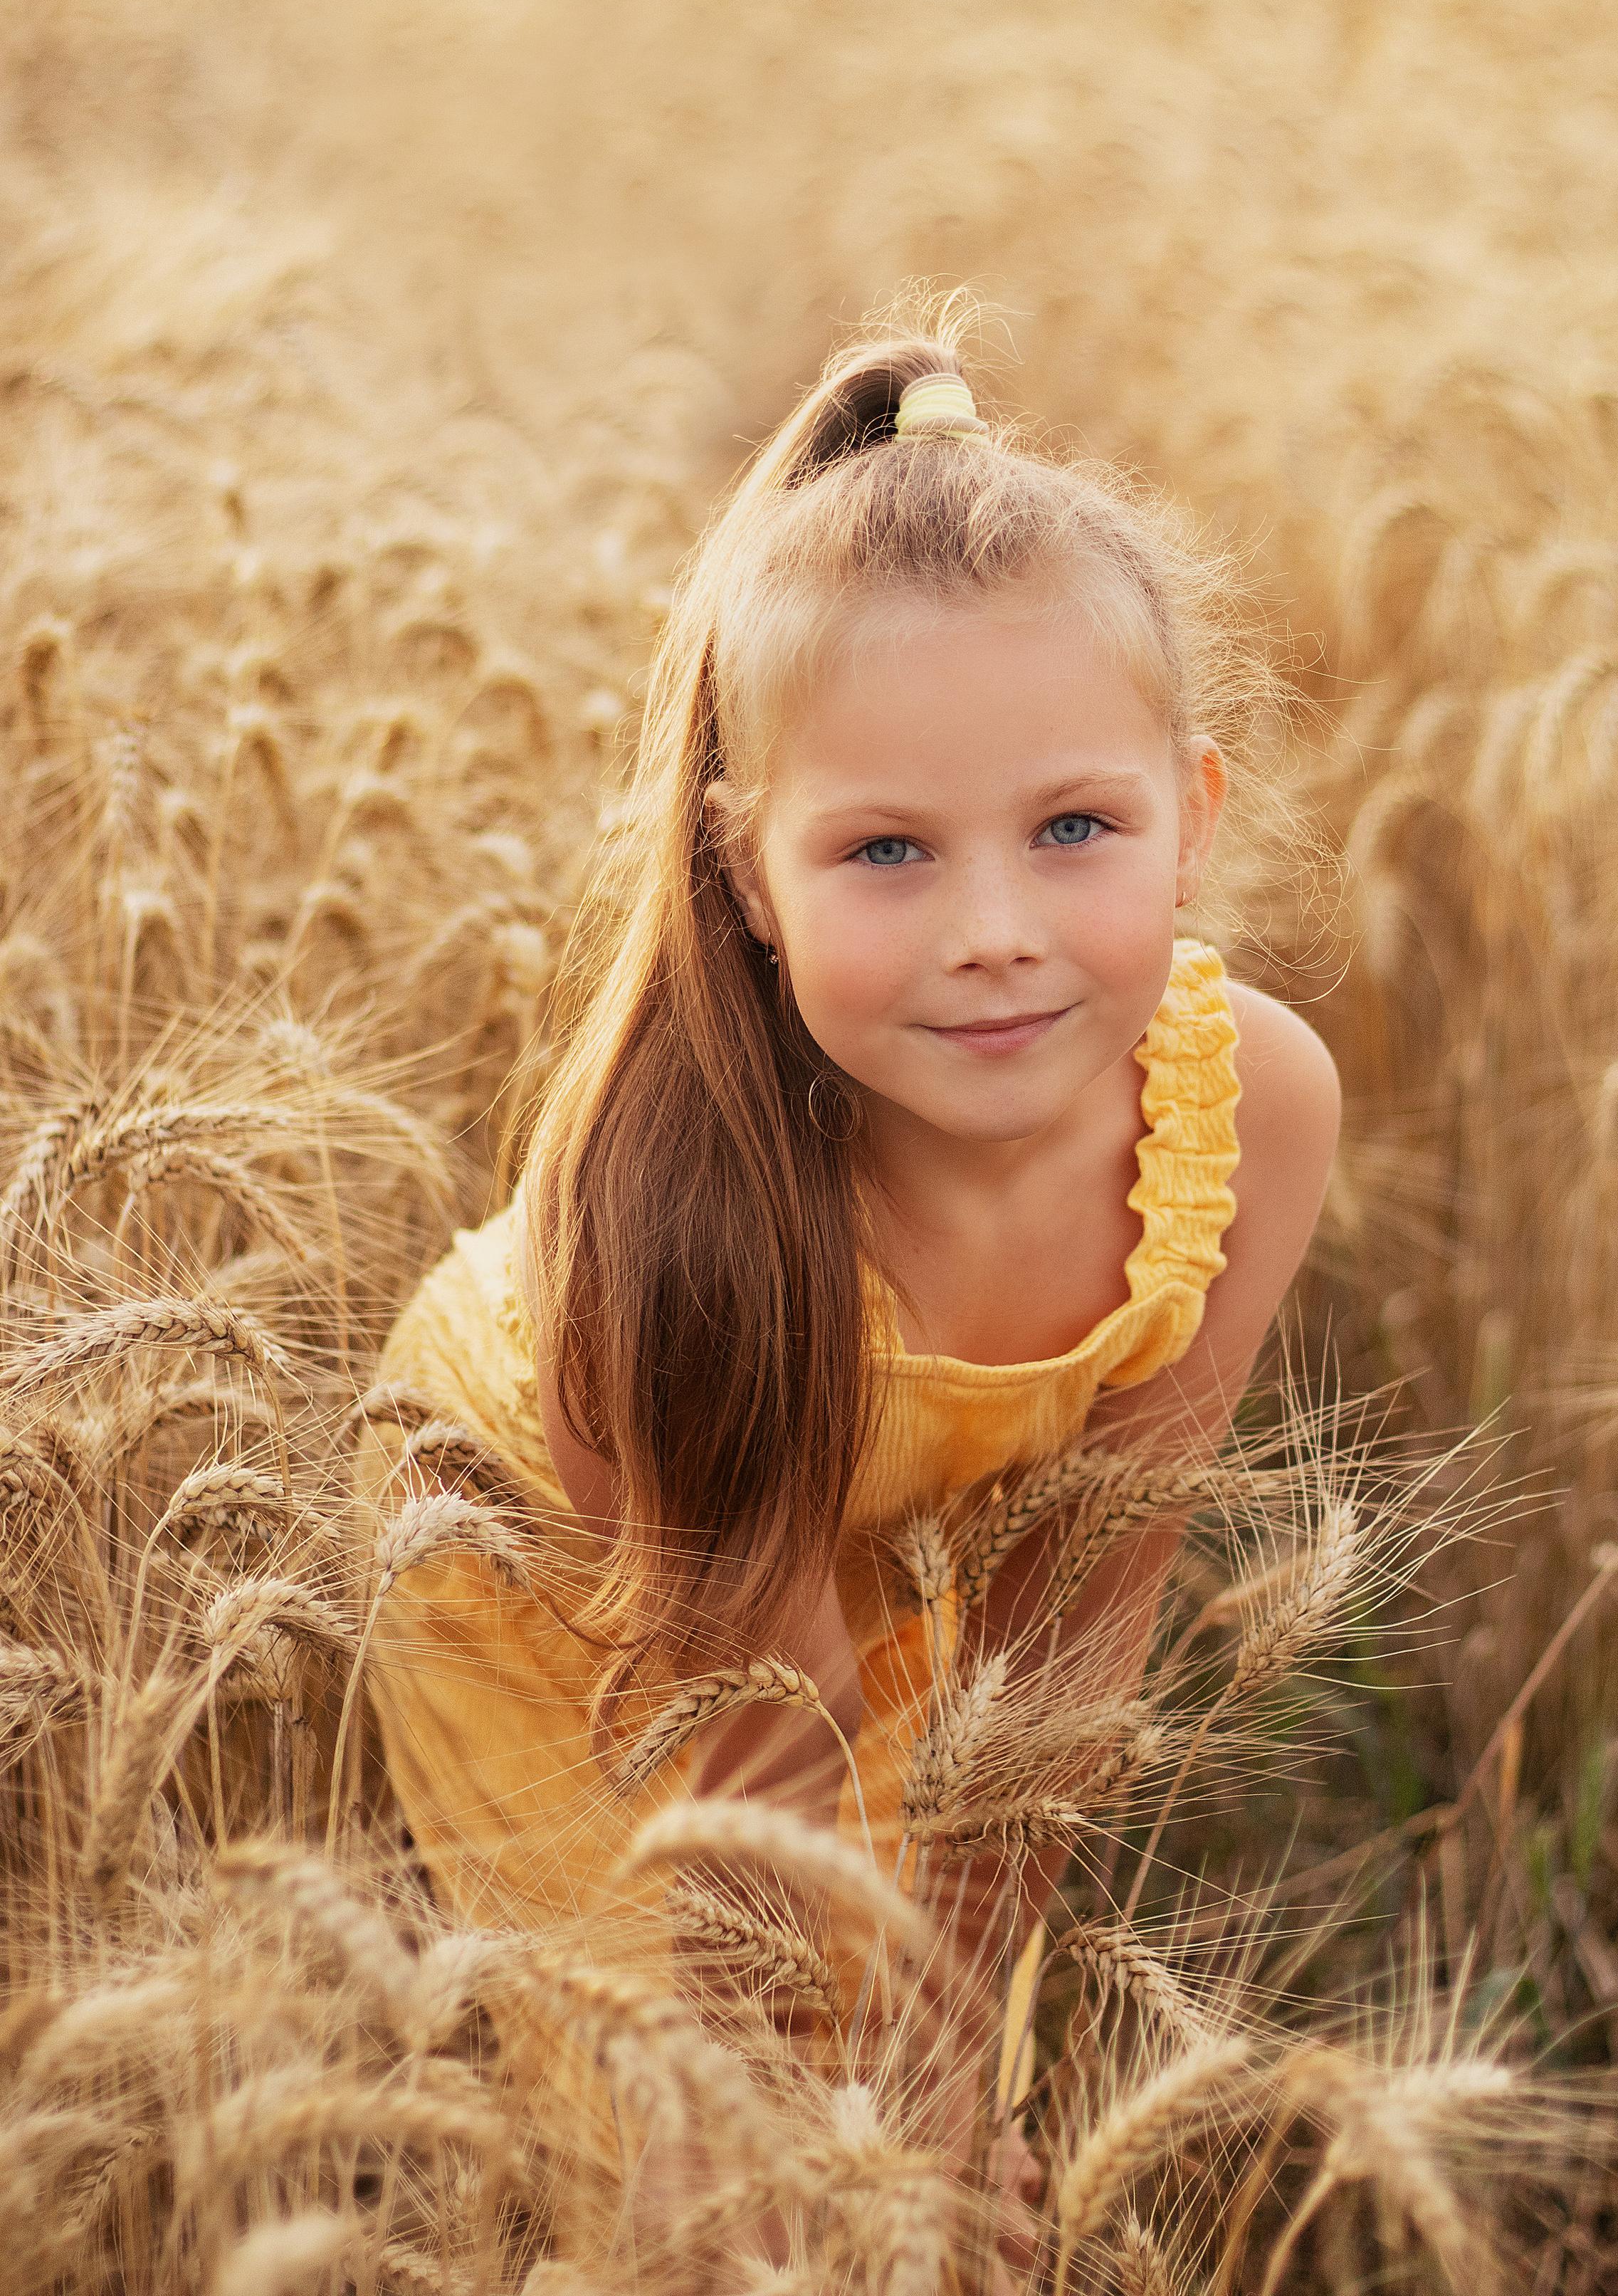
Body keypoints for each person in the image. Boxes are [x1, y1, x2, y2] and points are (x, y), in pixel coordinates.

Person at [355, 308, 1339, 2110]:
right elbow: (757, 1800)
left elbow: (1067, 1640)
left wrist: (955, 2068)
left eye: (1073, 830)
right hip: (573, 1581)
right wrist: (842, 2124)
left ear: (1191, 820)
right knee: (687, 2140)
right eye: (887, 850)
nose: (992, 928)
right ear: (748, 873)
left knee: (940, 2076)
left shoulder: (1250, 1111)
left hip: (852, 1555)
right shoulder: (686, 1227)